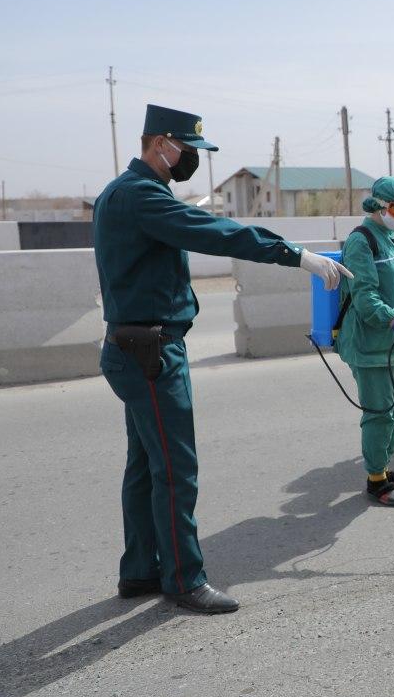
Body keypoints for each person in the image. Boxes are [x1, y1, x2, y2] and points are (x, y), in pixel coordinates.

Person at [93, 104, 351, 614]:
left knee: (146, 465)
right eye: (189, 149)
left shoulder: (120, 192)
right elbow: (217, 232)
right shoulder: (142, 196)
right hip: (150, 351)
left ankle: (141, 571)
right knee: (175, 468)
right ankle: (184, 579)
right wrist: (296, 255)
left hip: (134, 345)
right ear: (162, 142)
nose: (193, 159)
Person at [334, 176, 394, 507]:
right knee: (379, 412)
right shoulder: (362, 241)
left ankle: (384, 469)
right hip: (371, 344)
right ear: (379, 205)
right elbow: (365, 296)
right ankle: (375, 481)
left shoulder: (389, 238)